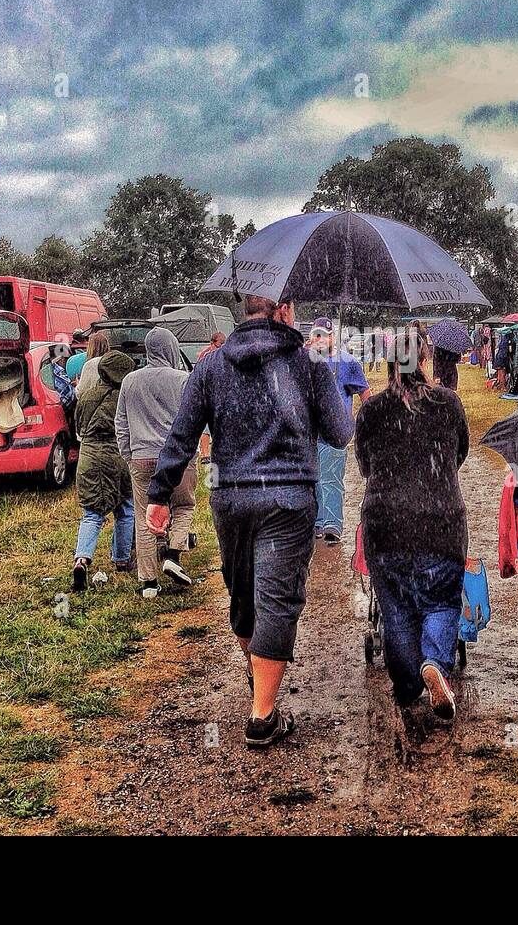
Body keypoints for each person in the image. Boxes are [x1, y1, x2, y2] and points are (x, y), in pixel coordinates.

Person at [146, 294, 353, 749]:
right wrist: (326, 378)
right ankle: (261, 716)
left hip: (232, 497)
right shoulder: (309, 363)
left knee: (242, 593)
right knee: (277, 599)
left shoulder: (211, 366)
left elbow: (181, 434)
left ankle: (258, 675)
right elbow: (341, 433)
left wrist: (159, 493)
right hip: (288, 498)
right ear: (284, 310)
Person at [354, 330, 468, 744]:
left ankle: (406, 686)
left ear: (387, 362)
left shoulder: (371, 412)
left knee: (397, 607)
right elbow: (459, 455)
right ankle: (434, 662)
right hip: (442, 523)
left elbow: (365, 466)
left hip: (387, 526)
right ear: (424, 360)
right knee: (440, 601)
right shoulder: (448, 403)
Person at [116, 327, 195, 599]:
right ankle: (173, 553)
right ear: (172, 348)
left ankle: (148, 582)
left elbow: (121, 423)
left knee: (144, 516)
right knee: (183, 505)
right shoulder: (183, 379)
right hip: (177, 458)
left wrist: (129, 454)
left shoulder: (130, 381)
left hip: (140, 457)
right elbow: (192, 420)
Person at [71, 349, 136, 592]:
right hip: (118, 455)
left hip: (89, 455)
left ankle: (82, 559)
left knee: (92, 513)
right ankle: (121, 559)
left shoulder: (87, 396)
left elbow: (77, 428)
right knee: (125, 507)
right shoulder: (126, 397)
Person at [308, 317, 370, 546]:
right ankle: (317, 521)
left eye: (324, 334)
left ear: (333, 336)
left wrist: (372, 420)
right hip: (310, 431)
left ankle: (332, 525)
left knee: (331, 478)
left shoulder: (348, 362)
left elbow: (365, 394)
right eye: (316, 335)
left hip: (335, 432)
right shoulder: (306, 362)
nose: (320, 339)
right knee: (313, 479)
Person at [74, 331, 111, 397]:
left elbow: (80, 393)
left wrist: (77, 384)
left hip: (95, 404)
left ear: (90, 347)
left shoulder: (89, 364)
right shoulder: (112, 361)